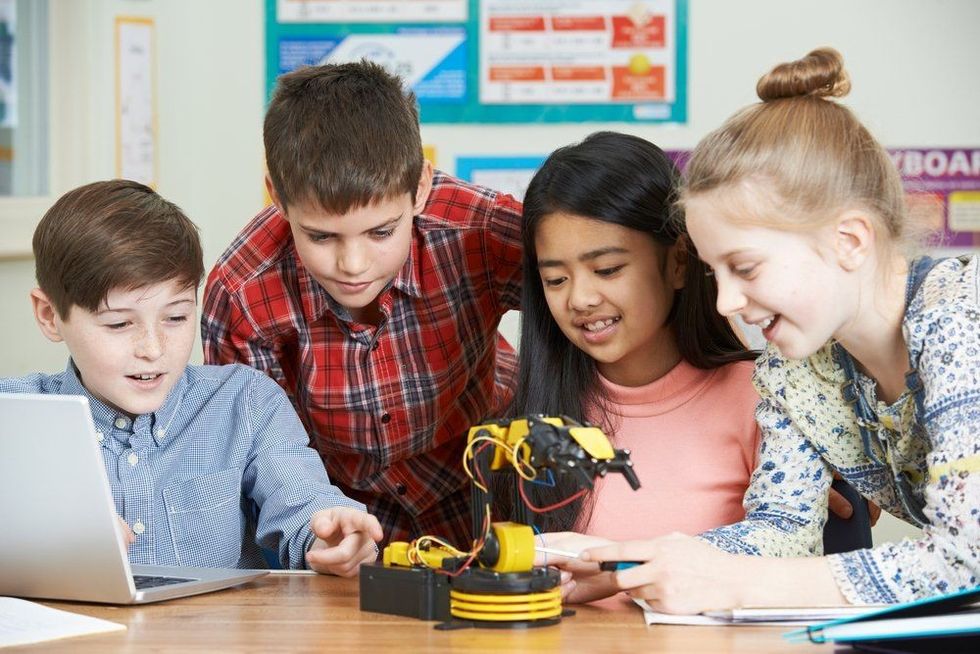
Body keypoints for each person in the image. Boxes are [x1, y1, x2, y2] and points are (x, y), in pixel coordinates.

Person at [550, 48, 980, 612]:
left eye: (745, 267)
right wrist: (616, 564)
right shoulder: (796, 369)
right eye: (714, 272)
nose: (728, 301)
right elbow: (783, 530)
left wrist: (733, 582)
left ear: (849, 240)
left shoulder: (959, 319)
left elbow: (966, 555)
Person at [201, 61, 523, 549]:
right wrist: (320, 531)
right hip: (342, 510)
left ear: (419, 189)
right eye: (321, 236)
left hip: (488, 481)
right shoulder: (243, 292)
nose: (353, 264)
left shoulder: (478, 229)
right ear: (277, 197)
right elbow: (262, 452)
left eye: (380, 232)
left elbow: (584, 292)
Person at [1, 180, 382, 576]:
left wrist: (332, 536)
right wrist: (35, 541)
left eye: (176, 317)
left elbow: (303, 503)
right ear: (49, 315)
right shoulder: (13, 419)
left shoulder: (245, 402)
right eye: (118, 324)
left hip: (217, 638)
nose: (153, 347)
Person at [508, 131, 760, 604]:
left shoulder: (765, 404)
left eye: (607, 270)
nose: (580, 298)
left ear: (679, 262)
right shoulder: (532, 418)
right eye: (556, 279)